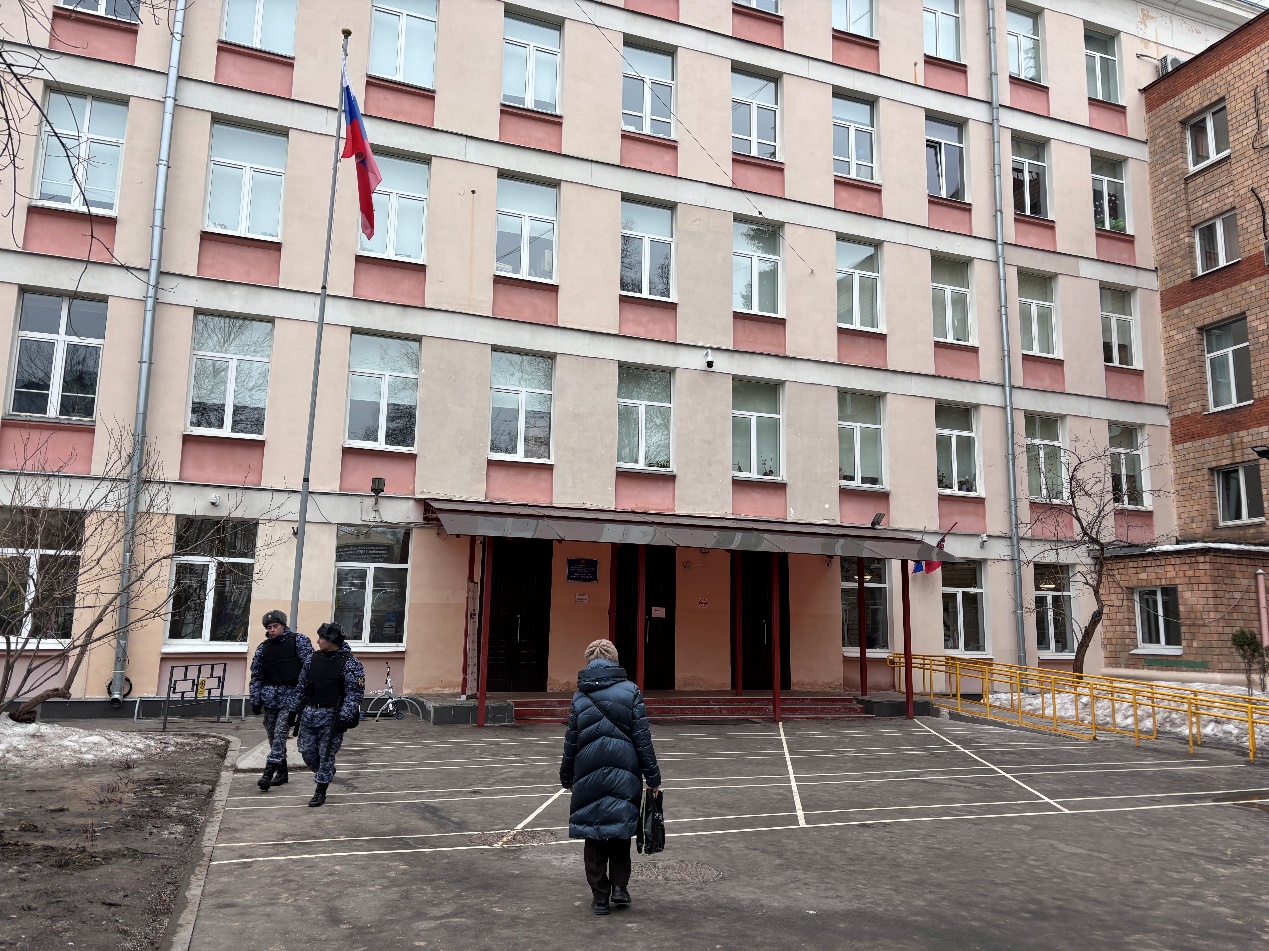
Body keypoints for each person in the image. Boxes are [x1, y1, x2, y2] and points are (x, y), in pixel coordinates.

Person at [559, 639, 661, 916]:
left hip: (587, 770)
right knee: (620, 827)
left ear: (589, 661)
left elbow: (571, 741)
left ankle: (600, 897)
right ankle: (619, 887)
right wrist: (653, 776)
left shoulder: (580, 696)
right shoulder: (631, 691)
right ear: (615, 660)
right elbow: (642, 739)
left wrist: (566, 774)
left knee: (592, 834)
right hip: (624, 770)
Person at [292, 622, 365, 807]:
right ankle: (325, 773)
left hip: (332, 717)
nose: (317, 641)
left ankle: (320, 789)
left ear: (331, 641)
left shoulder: (350, 663)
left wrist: (344, 718)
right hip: (309, 714)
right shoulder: (312, 659)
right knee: (306, 752)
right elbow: (301, 686)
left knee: (326, 755)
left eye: (321, 638)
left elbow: (354, 694)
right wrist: (293, 709)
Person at [248, 610, 313, 792]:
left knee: (280, 734)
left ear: (283, 625)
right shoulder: (263, 648)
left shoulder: (298, 641)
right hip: (270, 699)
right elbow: (257, 676)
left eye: (275, 626)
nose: (272, 630)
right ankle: (282, 772)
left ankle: (268, 773)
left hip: (291, 697)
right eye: (269, 627)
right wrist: (255, 699)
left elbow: (309, 669)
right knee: (272, 735)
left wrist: (304, 695)